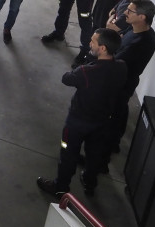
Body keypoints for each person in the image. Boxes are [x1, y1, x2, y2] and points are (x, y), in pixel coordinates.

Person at [37, 28, 126, 198]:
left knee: (68, 153)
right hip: (102, 122)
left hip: (78, 122)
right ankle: (89, 182)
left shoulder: (86, 71)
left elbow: (66, 78)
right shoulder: (121, 67)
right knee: (94, 155)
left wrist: (87, 61)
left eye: (93, 41)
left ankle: (61, 187)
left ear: (103, 48)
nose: (89, 43)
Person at [109, 0, 155, 154]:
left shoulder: (141, 42)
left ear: (142, 17)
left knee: (115, 113)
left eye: (130, 11)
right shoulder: (137, 29)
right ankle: (113, 142)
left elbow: (115, 60)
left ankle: (105, 152)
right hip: (123, 79)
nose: (125, 13)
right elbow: (121, 39)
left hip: (122, 82)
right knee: (119, 111)